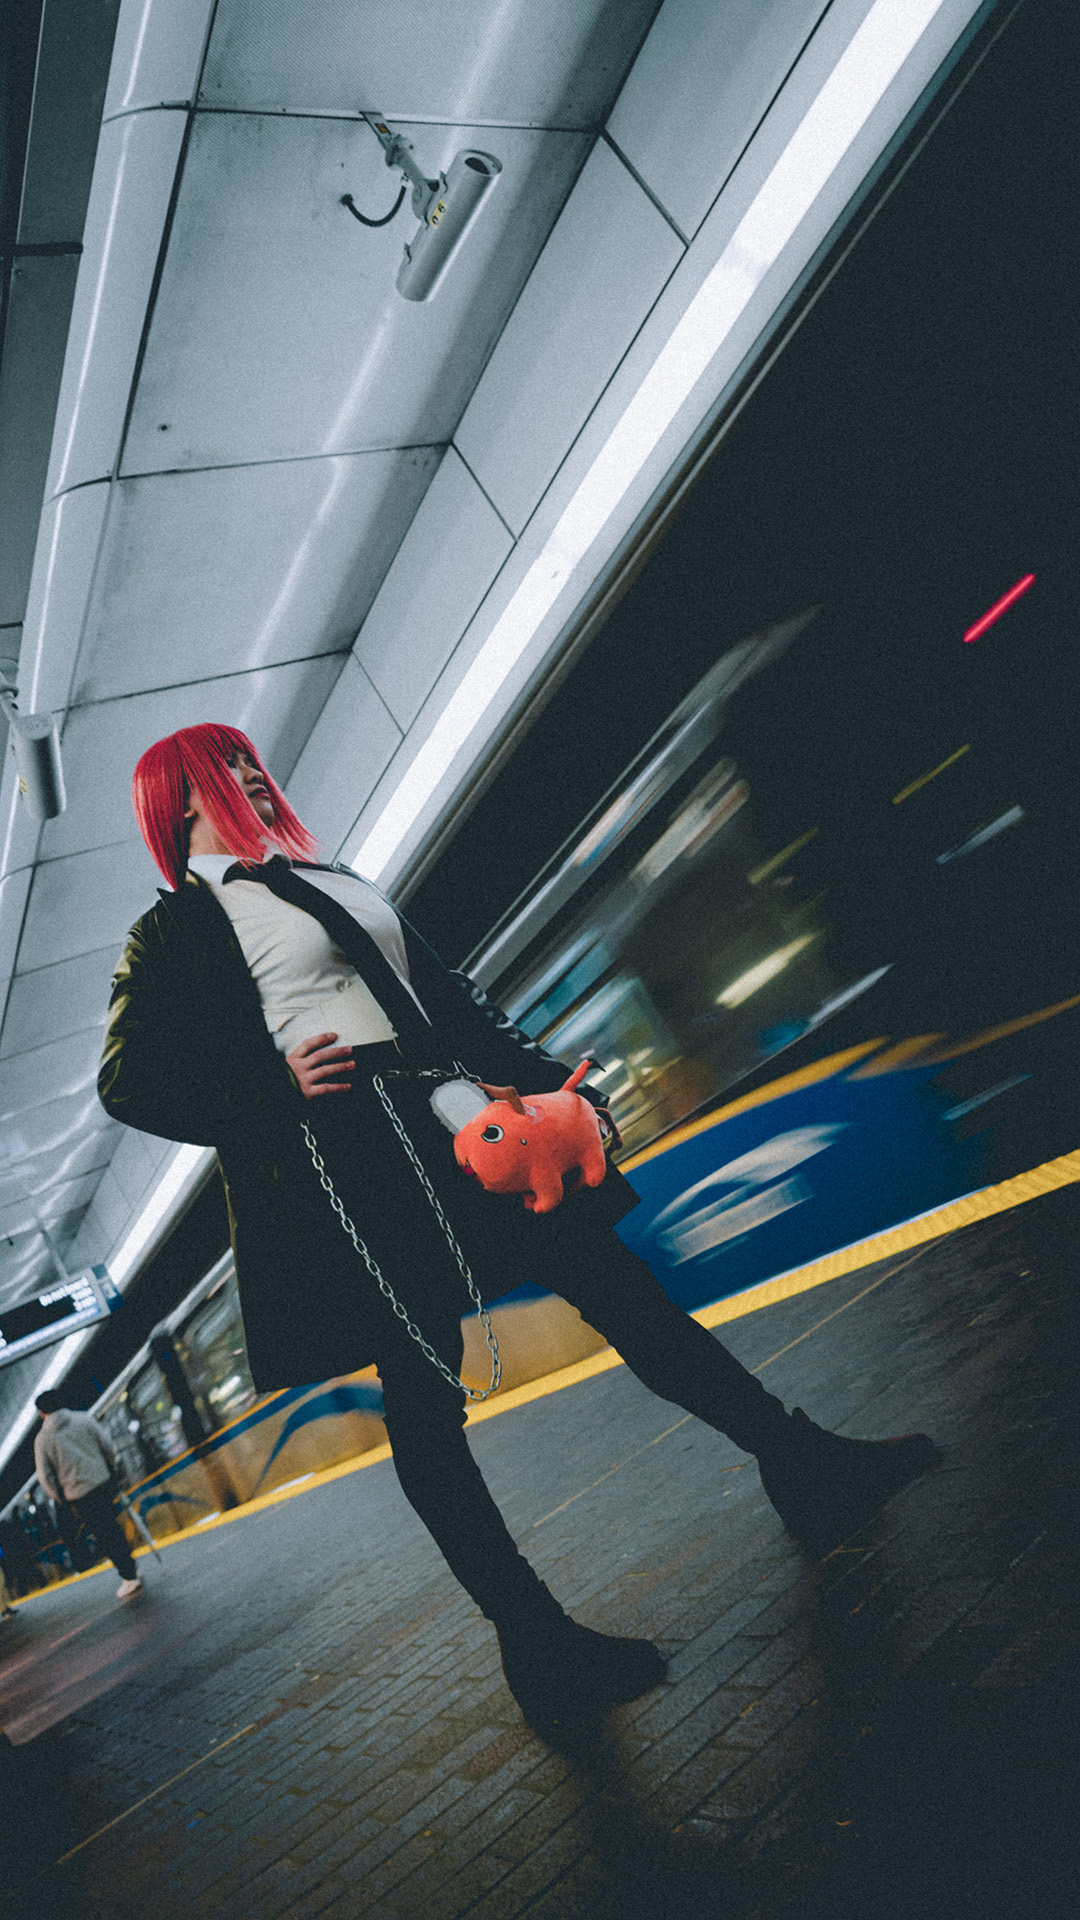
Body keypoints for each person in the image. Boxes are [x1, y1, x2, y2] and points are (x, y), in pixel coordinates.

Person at [98, 723, 939, 1741]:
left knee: (621, 1288)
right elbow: (127, 1081)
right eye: (223, 768)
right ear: (176, 801)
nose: (250, 774)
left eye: (249, 761)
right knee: (425, 1390)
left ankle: (799, 1464)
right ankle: (534, 1638)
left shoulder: (328, 877)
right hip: (354, 1154)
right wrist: (268, 1088)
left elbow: (450, 1003)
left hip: (462, 1118)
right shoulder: (176, 931)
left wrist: (557, 1084)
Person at [33, 1392, 142, 1599]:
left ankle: (129, 1576)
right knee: (112, 1526)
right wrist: (110, 1468)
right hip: (103, 1482)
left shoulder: (42, 1439)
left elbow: (45, 1476)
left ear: (42, 1413)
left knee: (104, 1534)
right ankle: (130, 1570)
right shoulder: (83, 1419)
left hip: (79, 1495)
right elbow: (107, 1445)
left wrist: (60, 1497)